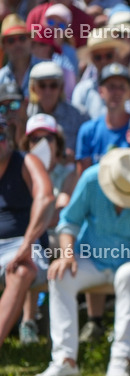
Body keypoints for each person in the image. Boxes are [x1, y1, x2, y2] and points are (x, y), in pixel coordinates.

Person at [33, 148, 130, 376]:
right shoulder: (90, 178)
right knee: (60, 275)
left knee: (128, 275)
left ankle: (122, 360)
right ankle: (64, 360)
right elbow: (69, 222)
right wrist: (67, 255)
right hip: (92, 258)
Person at [0, 115, 53, 349]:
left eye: (2, 135)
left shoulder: (27, 160)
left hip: (22, 244)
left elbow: (45, 198)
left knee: (21, 270)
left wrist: (27, 244)